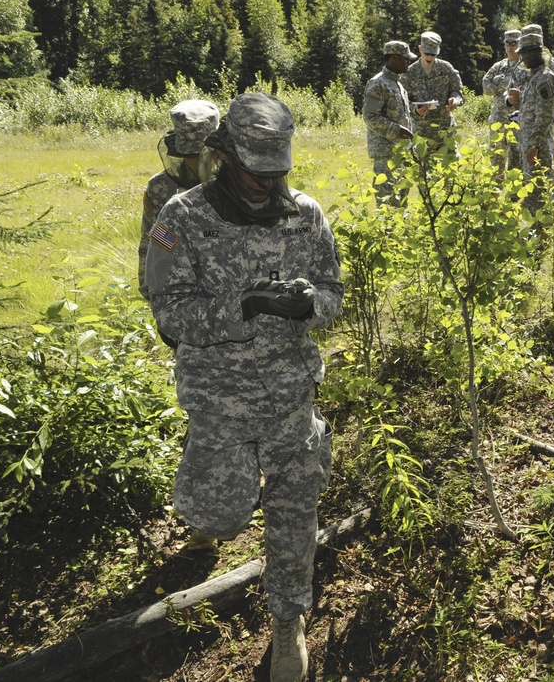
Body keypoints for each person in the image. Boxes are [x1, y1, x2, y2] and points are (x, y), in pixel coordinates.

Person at [145, 92, 343, 682]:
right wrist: (243, 305)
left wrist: (311, 304)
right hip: (219, 402)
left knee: (292, 513)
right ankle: (210, 514)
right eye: (254, 173)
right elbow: (169, 316)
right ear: (225, 156)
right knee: (216, 514)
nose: (264, 185)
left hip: (290, 398)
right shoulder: (182, 217)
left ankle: (288, 623)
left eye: (274, 174)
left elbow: (333, 291)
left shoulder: (304, 214)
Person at [139, 99, 220, 304]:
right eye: (189, 154)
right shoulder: (161, 188)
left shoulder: (240, 181)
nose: (196, 161)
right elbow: (151, 244)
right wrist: (150, 293)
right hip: (181, 293)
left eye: (202, 153)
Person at [507, 32, 554, 220]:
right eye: (524, 54)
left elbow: (546, 116)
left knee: (540, 189)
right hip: (528, 143)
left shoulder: (545, 78)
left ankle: (544, 233)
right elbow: (534, 108)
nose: (524, 58)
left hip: (538, 147)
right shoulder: (535, 77)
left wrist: (535, 145)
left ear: (537, 54)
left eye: (528, 53)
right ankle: (537, 233)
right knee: (531, 191)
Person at [363, 40, 415, 205]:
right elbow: (370, 116)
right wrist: (397, 130)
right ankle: (386, 232)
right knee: (387, 200)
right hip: (385, 152)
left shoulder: (398, 84)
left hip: (401, 151)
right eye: (405, 59)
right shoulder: (377, 83)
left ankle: (402, 232)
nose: (408, 62)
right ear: (393, 58)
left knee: (402, 199)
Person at [401, 31, 465, 149]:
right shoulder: (409, 72)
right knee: (422, 167)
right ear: (420, 49)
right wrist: (414, 110)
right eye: (427, 53)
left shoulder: (446, 68)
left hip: (445, 131)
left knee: (451, 165)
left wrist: (454, 100)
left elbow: (458, 91)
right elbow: (402, 101)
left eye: (433, 54)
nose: (429, 57)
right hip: (420, 133)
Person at [482, 29, 525, 174]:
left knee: (516, 159)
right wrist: (505, 84)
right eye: (508, 43)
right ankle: (495, 192)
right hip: (498, 121)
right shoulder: (499, 66)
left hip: (517, 121)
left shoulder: (525, 66)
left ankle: (514, 194)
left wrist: (499, 82)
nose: (511, 47)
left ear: (520, 44)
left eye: (514, 43)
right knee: (496, 159)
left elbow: (527, 89)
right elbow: (486, 86)